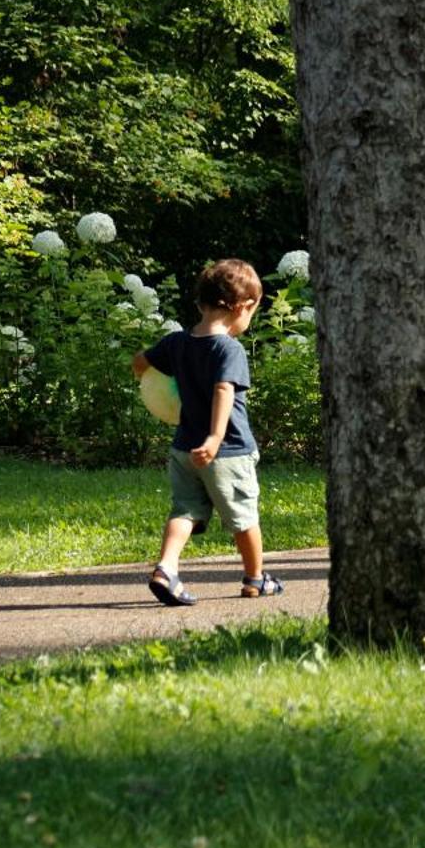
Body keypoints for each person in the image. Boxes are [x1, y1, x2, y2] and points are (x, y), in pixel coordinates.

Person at [132, 258, 284, 605]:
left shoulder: (176, 343)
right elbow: (223, 390)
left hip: (183, 448)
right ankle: (255, 578)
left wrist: (147, 381)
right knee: (244, 516)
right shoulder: (228, 348)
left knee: (184, 510)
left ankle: (166, 569)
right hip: (226, 451)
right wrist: (215, 438)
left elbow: (141, 361)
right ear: (244, 306)